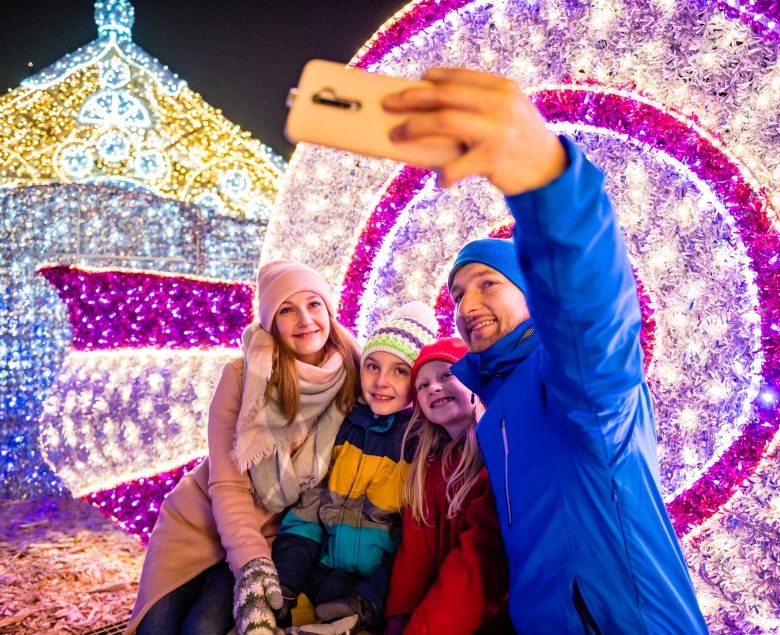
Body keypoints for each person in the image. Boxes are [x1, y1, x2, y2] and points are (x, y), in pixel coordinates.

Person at [383, 70, 708, 633]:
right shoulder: (498, 412)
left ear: (533, 293)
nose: (467, 304)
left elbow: (590, 312)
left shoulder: (565, 376)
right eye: (458, 293)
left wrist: (545, 179)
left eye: (489, 283)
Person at [126, 260, 361, 635]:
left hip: (271, 534)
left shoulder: (356, 375)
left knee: (201, 628)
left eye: (314, 304)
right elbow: (228, 484)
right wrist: (251, 566)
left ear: (329, 309)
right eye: (287, 309)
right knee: (156, 628)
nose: (305, 320)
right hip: (198, 521)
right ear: (271, 322)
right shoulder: (244, 375)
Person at [270, 302, 438, 635]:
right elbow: (307, 513)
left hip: (374, 594)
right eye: (373, 367)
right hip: (317, 573)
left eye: (399, 371)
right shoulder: (343, 428)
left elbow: (413, 549)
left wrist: (365, 602)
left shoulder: (421, 447)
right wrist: (287, 580)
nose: (381, 382)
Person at [384, 337, 514, 635]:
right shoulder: (427, 468)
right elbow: (416, 552)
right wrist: (400, 614)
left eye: (447, 375)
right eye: (423, 385)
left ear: (474, 384)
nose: (434, 387)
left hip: (488, 613)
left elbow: (480, 562)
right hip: (442, 614)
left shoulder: (496, 455)